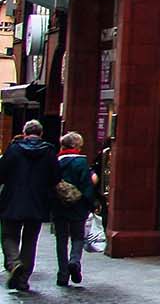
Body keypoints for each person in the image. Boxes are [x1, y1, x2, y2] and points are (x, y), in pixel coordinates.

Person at [0, 121, 60, 292]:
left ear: (24, 133)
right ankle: (23, 279)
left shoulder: (14, 149)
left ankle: (14, 263)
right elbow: (55, 177)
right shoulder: (49, 151)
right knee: (30, 241)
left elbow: (1, 173)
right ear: (40, 134)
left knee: (8, 236)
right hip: (37, 202)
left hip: (12, 201)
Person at [51, 133, 96, 287]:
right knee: (77, 237)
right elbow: (87, 185)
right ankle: (74, 261)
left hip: (59, 206)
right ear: (76, 146)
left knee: (61, 240)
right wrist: (89, 204)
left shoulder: (55, 161)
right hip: (78, 206)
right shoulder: (81, 162)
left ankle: (62, 274)